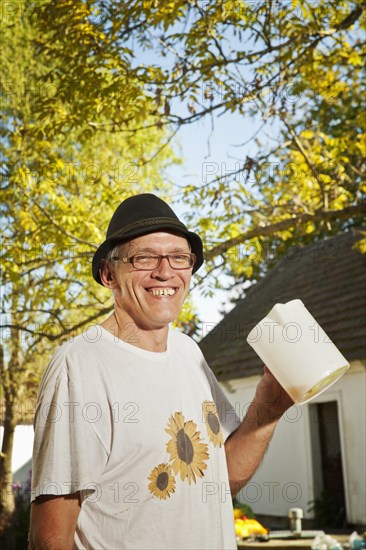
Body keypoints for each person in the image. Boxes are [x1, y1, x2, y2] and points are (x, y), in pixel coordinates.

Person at [29, 193, 293, 550]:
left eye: (179, 257)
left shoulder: (189, 352)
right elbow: (50, 540)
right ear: (109, 274)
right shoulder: (79, 367)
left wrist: (270, 408)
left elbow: (220, 480)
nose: (165, 271)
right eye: (145, 258)